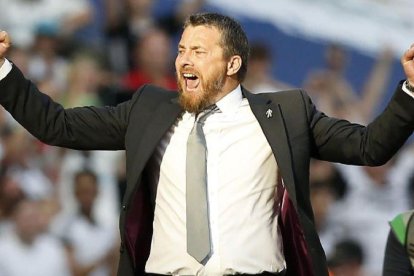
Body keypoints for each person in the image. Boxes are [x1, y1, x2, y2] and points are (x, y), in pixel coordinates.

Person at [0, 12, 414, 276]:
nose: (183, 61)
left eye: (198, 51)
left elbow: (369, 148)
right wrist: (3, 70)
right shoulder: (148, 108)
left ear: (233, 64)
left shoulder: (285, 113)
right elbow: (57, 126)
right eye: (181, 50)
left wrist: (411, 88)